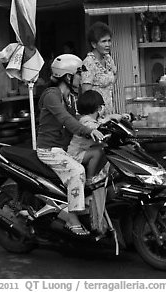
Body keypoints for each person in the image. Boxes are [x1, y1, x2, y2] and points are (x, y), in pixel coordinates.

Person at [36, 54, 104, 236]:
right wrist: (88, 131)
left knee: (97, 154)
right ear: (68, 76)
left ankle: (83, 206)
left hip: (62, 151)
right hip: (49, 150)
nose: (82, 79)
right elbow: (66, 119)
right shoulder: (52, 95)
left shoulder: (69, 98)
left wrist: (102, 123)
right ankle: (72, 220)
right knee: (77, 171)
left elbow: (77, 119)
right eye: (79, 74)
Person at [67, 90, 117, 184]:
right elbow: (96, 127)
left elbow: (102, 122)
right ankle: (90, 180)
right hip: (75, 155)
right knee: (98, 152)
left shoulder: (94, 119)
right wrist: (109, 118)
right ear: (98, 108)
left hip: (84, 152)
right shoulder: (85, 121)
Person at [80, 22, 117, 116]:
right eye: (104, 41)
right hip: (96, 113)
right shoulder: (88, 63)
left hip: (109, 110)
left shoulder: (108, 59)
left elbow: (114, 76)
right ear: (94, 44)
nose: (108, 44)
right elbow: (87, 93)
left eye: (109, 41)